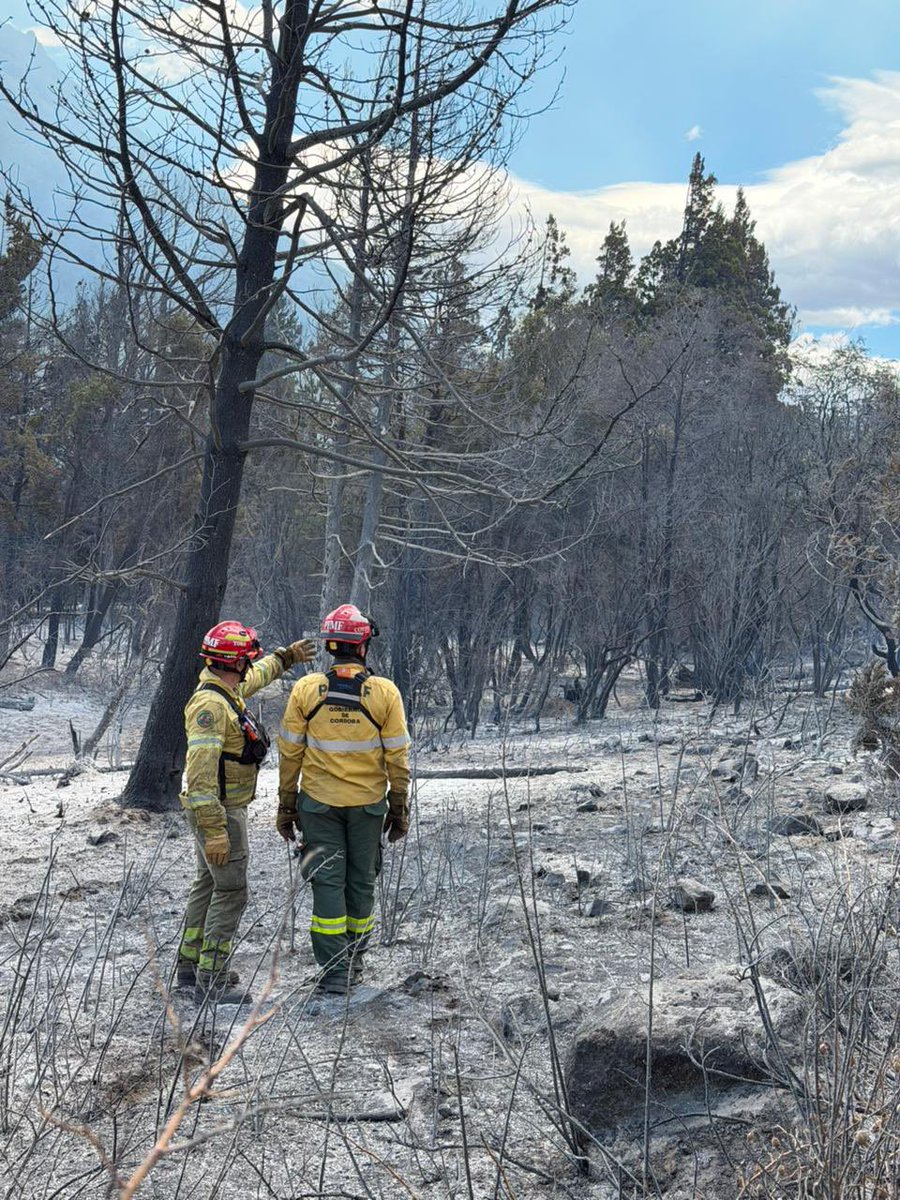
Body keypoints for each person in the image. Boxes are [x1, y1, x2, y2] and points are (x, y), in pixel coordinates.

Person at [178, 620, 315, 1005]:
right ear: (234, 661)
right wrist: (215, 828)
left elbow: (255, 677)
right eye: (246, 659)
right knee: (231, 891)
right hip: (220, 813)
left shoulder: (224, 692)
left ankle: (190, 968)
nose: (248, 666)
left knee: (207, 885)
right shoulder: (210, 706)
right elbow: (201, 774)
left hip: (219, 811)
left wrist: (285, 659)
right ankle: (214, 978)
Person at [276, 604, 411, 994]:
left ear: (331, 646)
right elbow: (397, 759)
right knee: (361, 883)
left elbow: (290, 755)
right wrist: (399, 808)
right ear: (363, 646)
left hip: (318, 807)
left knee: (328, 883)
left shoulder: (306, 690)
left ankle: (335, 972)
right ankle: (353, 961)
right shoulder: (385, 694)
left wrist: (286, 806)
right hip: (368, 808)